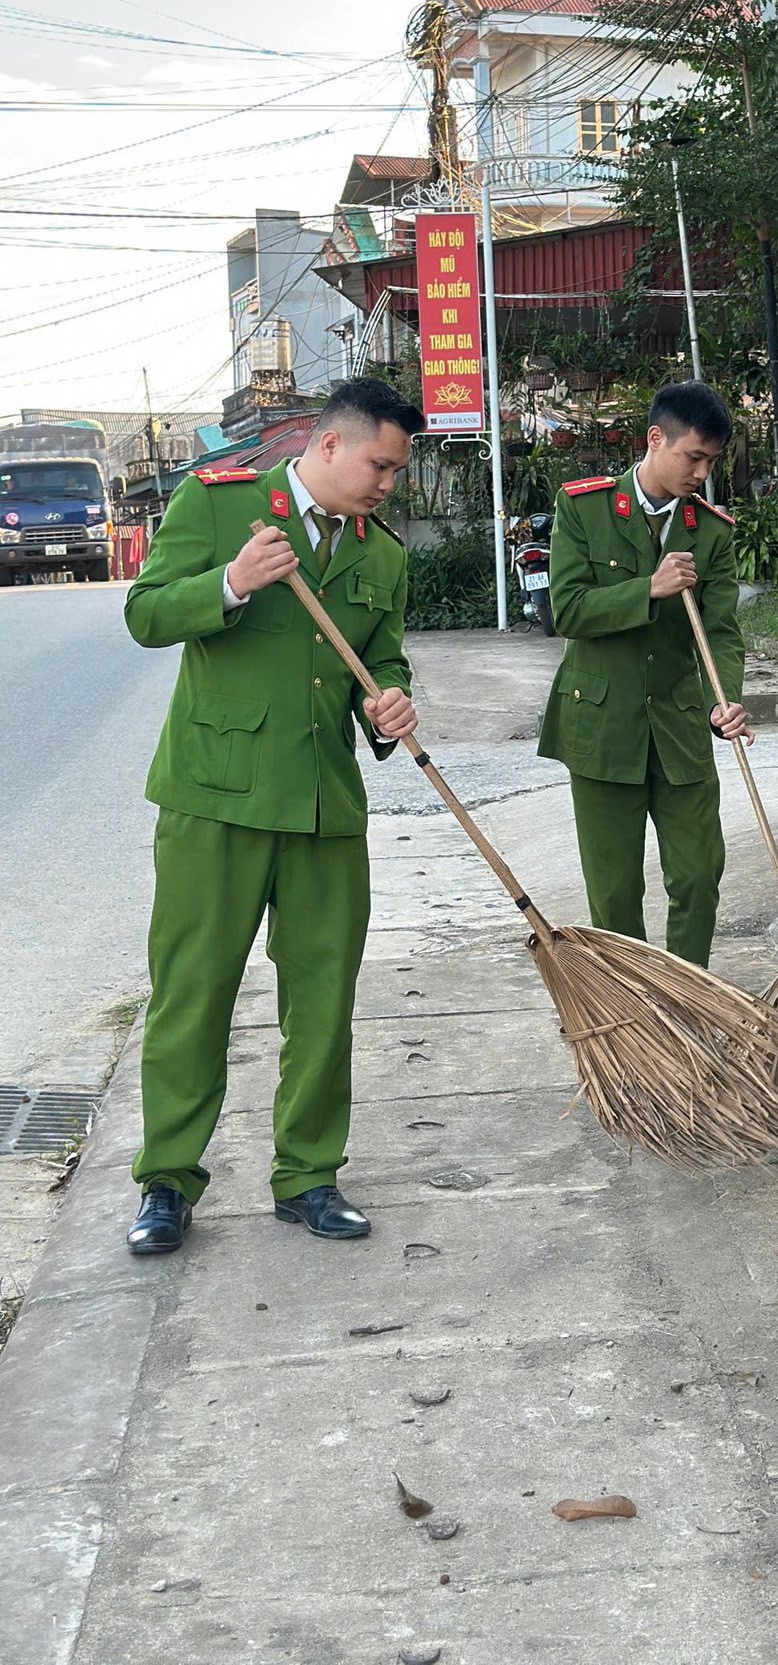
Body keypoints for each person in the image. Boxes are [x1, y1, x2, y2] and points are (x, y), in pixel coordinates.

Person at [122, 377, 424, 1255]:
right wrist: (229, 581)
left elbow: (383, 655)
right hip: (214, 796)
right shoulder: (220, 507)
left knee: (324, 1000)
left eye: (397, 473)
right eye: (379, 465)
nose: (386, 486)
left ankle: (308, 1176)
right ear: (328, 445)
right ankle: (168, 1182)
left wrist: (391, 701)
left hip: (326, 805)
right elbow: (144, 613)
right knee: (193, 994)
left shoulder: (383, 556)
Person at [537, 380, 751, 968]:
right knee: (614, 892)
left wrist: (722, 698)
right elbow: (570, 610)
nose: (702, 473)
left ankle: (690, 995)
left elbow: (722, 630)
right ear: (656, 439)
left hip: (681, 725)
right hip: (602, 727)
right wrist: (648, 588)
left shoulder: (710, 530)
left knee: (699, 872)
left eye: (712, 460)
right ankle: (638, 1009)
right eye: (694, 457)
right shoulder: (583, 508)